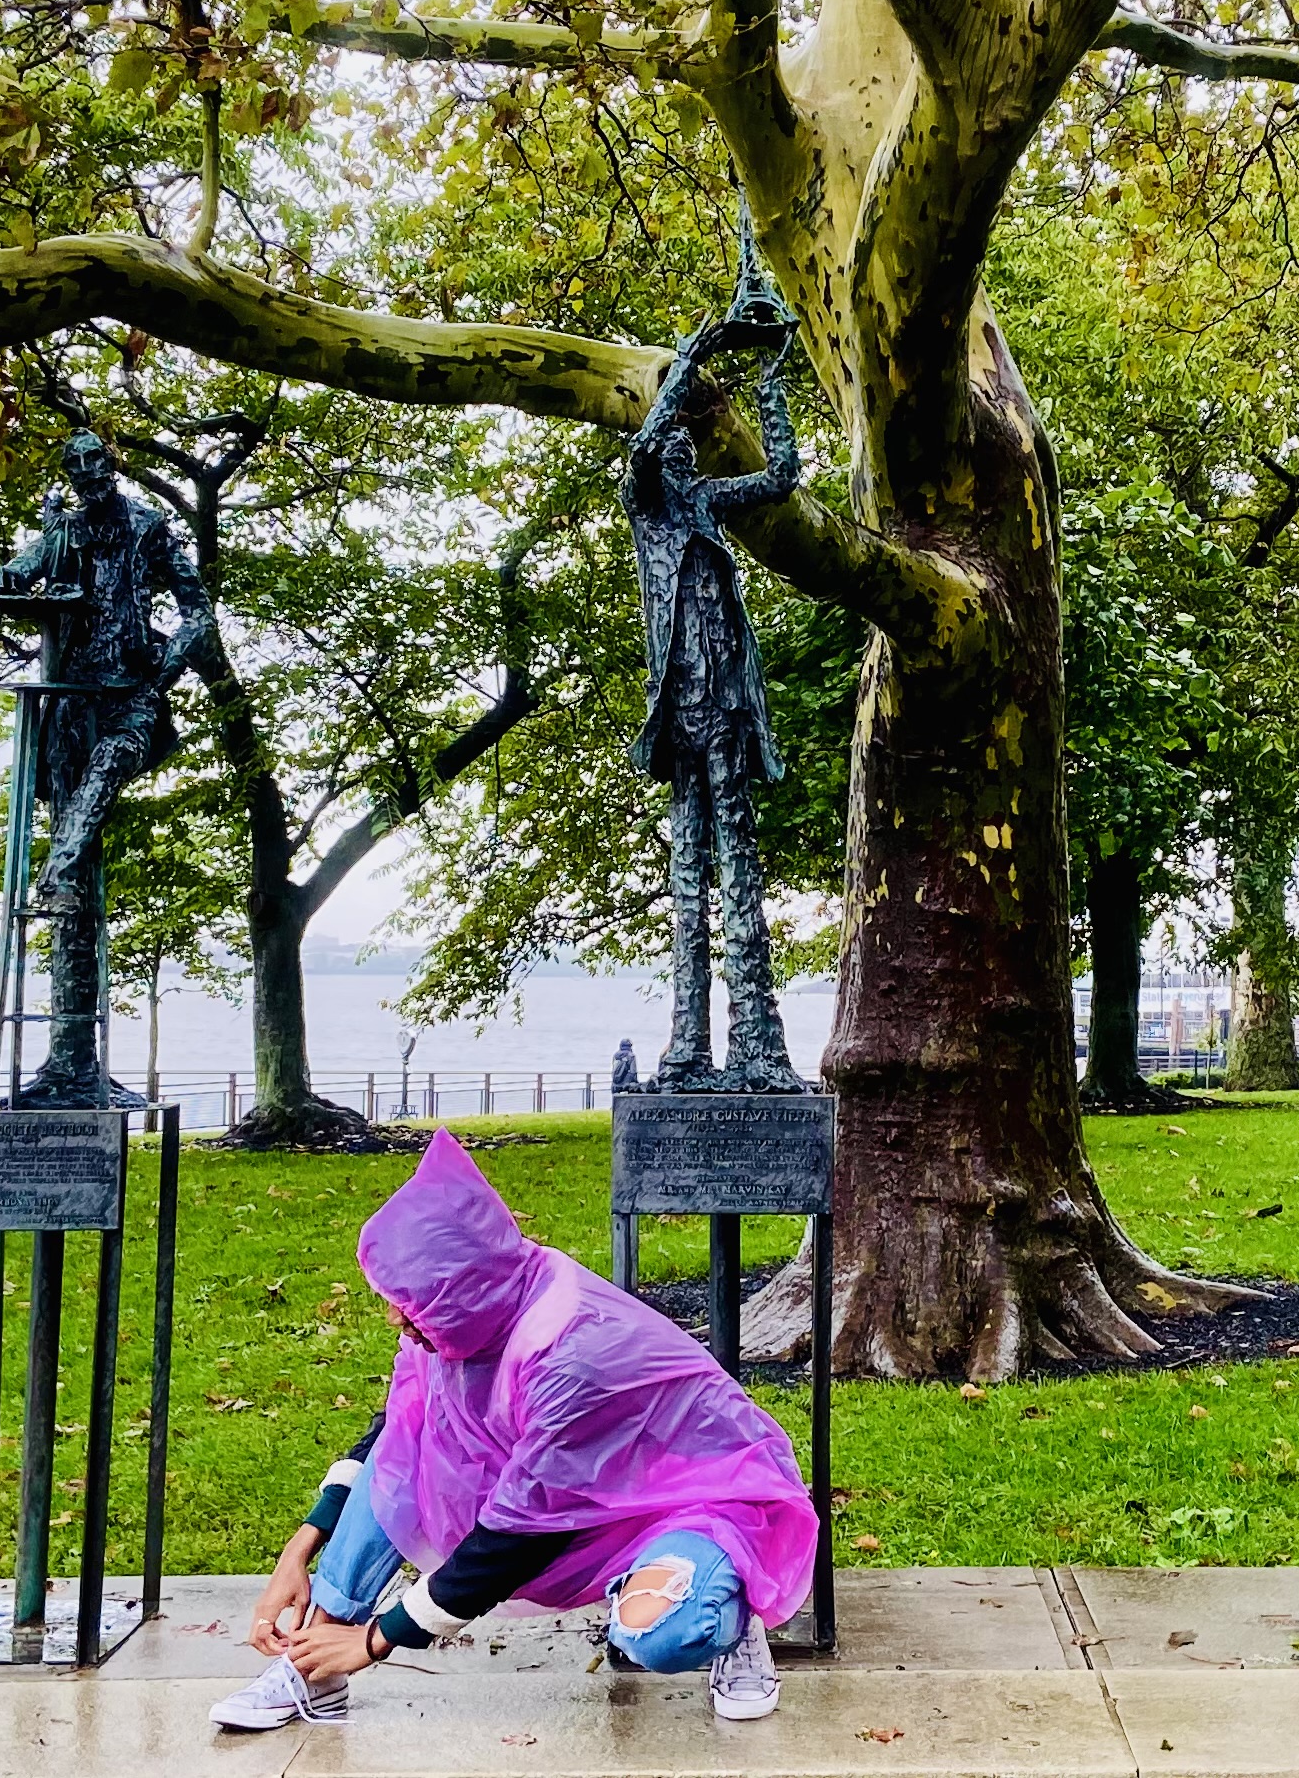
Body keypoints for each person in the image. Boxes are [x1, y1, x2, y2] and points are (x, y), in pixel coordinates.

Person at [211, 1132, 815, 1731]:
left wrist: (379, 1638)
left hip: (691, 1503)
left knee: (659, 1634)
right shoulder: (466, 1311)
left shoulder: (575, 1359)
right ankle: (316, 1654)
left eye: (408, 1304)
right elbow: (398, 1430)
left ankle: (730, 1609)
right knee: (415, 1448)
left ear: (462, 1290)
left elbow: (519, 1537)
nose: (397, 1317)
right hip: (578, 1495)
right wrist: (301, 1548)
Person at [0, 431, 210, 1107]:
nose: (88, 475)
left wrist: (165, 673)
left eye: (96, 463)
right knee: (72, 884)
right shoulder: (67, 531)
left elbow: (198, 612)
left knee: (110, 769)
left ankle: (66, 853)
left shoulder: (148, 528)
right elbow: (24, 569)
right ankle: (71, 1058)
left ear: (112, 465)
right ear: (71, 478)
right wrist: (0, 575)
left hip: (129, 693)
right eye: (76, 469)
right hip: (70, 697)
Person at [621, 245, 804, 1092]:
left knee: (742, 871)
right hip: (679, 718)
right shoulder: (650, 513)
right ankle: (688, 1049)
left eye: (694, 449)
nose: (687, 453)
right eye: (677, 448)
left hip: (725, 709)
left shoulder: (705, 508)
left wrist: (772, 375)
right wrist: (698, 350)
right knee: (688, 878)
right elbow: (647, 445)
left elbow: (781, 477)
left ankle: (757, 1048)